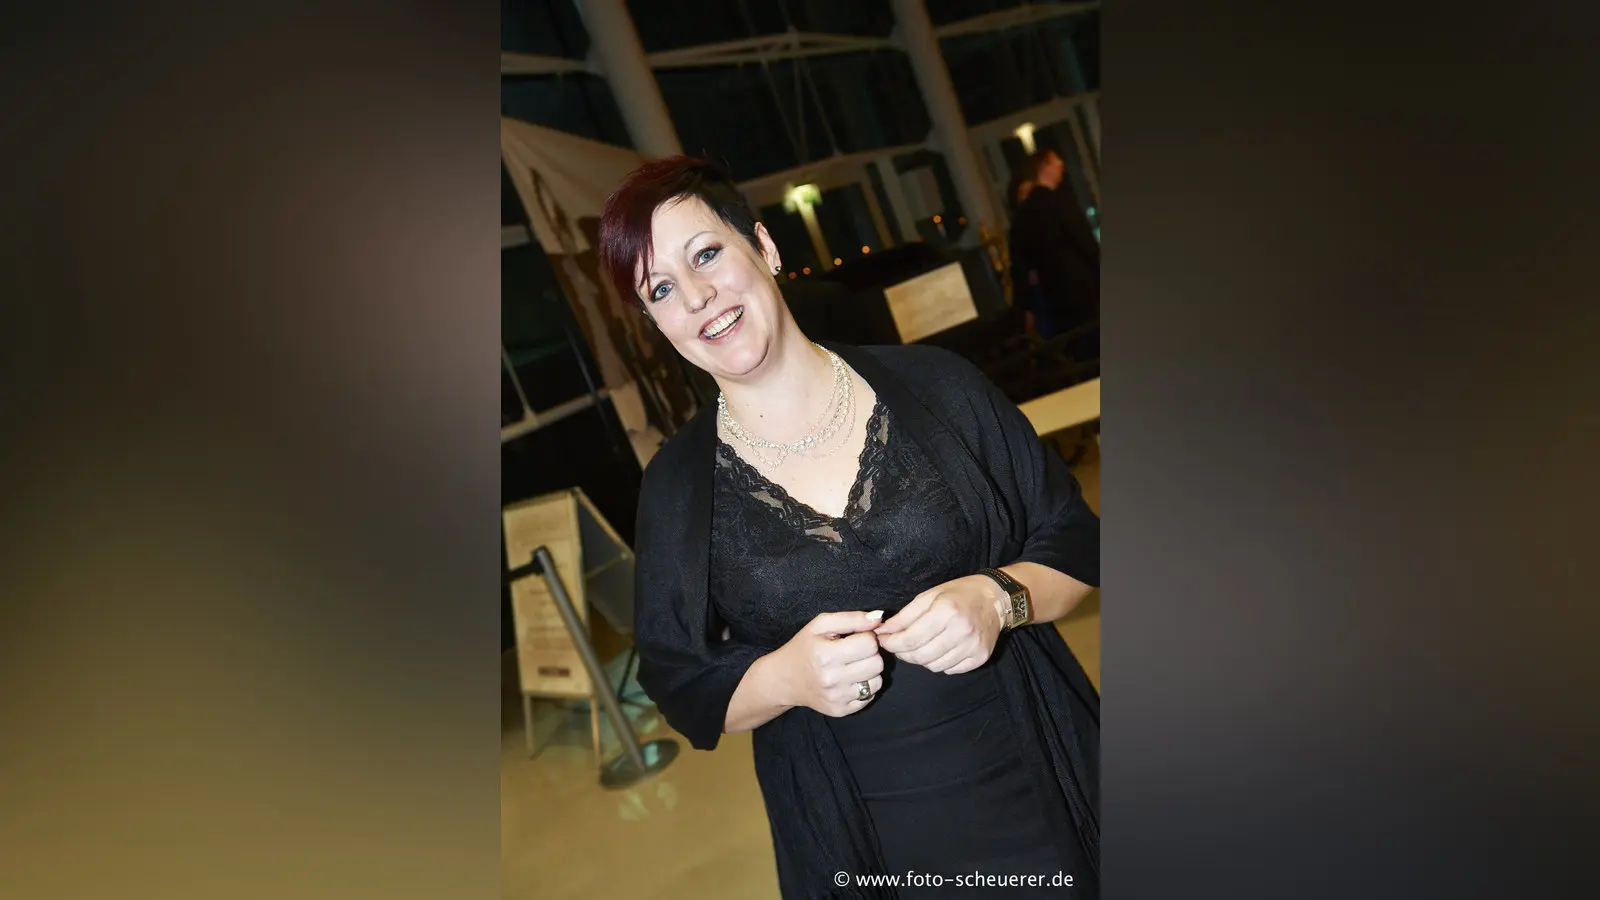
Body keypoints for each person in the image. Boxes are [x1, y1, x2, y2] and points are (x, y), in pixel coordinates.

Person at [600, 157, 1100, 899]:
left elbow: (1075, 542)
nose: (697, 297)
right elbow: (678, 680)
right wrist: (785, 677)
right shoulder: (678, 485)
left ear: (764, 248)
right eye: (661, 289)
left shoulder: (939, 388)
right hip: (860, 839)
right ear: (655, 323)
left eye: (705, 254)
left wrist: (1000, 598)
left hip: (1039, 782)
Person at [1009, 149, 1100, 358]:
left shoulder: (1022, 217)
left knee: (1079, 352)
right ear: (1044, 167)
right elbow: (1085, 243)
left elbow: (1020, 267)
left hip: (1055, 297)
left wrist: (1026, 307)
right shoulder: (1061, 203)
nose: (1061, 165)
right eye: (1055, 161)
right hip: (1085, 288)